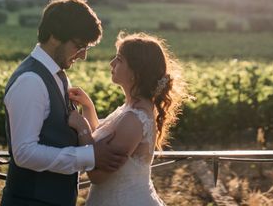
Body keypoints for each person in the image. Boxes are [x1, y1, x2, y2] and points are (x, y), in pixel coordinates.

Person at [1, 0, 128, 206]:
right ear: (54, 36)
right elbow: (24, 153)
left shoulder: (56, 74)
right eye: (79, 46)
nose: (83, 56)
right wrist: (89, 155)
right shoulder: (31, 81)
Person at [67, 32, 188, 206]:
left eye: (119, 59)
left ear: (135, 72)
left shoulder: (134, 119)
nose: (112, 63)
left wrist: (82, 129)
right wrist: (88, 106)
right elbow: (100, 141)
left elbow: (98, 175)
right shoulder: (130, 109)